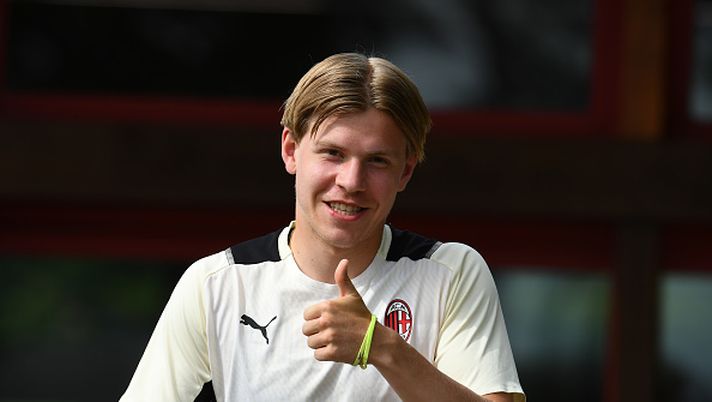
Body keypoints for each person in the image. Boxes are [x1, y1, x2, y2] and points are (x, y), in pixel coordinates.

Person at [120, 52, 524, 402]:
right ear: (291, 150)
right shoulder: (217, 283)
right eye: (333, 153)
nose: (351, 181)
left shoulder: (451, 272)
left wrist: (380, 346)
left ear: (406, 171)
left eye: (377, 160)